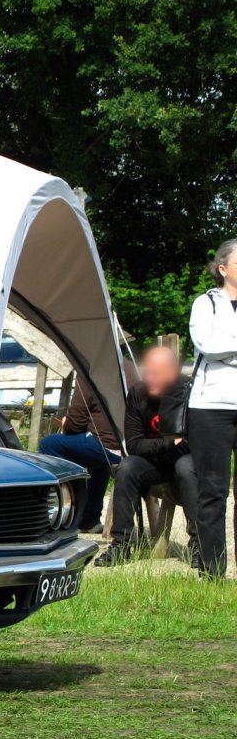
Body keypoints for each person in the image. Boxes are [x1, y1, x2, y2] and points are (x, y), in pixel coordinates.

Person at [95, 345, 198, 565]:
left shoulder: (188, 393)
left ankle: (199, 545)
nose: (149, 378)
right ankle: (121, 545)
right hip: (154, 465)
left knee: (187, 466)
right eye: (147, 372)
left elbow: (192, 444)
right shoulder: (137, 394)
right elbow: (133, 445)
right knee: (128, 466)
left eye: (156, 373)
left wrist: (162, 446)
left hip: (183, 462)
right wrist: (168, 443)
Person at [186, 237, 237, 578]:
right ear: (223, 268)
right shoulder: (206, 303)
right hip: (211, 408)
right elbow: (207, 343)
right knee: (213, 491)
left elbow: (224, 346)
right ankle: (213, 571)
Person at [39, 372, 128, 533]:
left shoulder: (89, 370)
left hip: (108, 445)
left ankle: (60, 514)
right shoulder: (125, 365)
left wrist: (66, 424)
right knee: (95, 455)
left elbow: (76, 421)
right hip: (128, 445)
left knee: (48, 444)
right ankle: (89, 518)